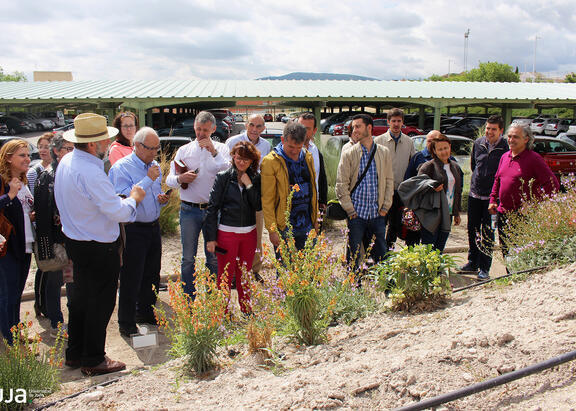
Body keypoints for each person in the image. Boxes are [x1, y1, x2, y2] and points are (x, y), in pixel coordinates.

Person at [55, 113, 145, 375]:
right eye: (105, 139)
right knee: (100, 302)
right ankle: (93, 359)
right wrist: (134, 199)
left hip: (77, 240)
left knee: (81, 300)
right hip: (97, 246)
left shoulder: (68, 161)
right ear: (94, 144)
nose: (109, 142)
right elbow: (117, 212)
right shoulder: (90, 171)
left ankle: (75, 352)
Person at [109, 127, 169, 337]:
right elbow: (125, 199)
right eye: (150, 148)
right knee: (131, 276)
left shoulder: (153, 167)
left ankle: (145, 312)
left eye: (156, 148)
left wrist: (161, 200)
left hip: (152, 226)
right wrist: (147, 180)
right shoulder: (121, 168)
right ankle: (126, 321)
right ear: (137, 145)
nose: (154, 153)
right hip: (132, 229)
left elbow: (153, 195)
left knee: (151, 273)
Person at [166, 111, 230, 297]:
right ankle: (188, 297)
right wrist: (180, 178)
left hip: (213, 211)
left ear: (213, 129)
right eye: (198, 129)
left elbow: (228, 169)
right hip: (189, 210)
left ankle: (212, 297)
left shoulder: (221, 148)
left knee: (213, 257)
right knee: (188, 258)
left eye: (205, 130)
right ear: (194, 127)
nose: (201, 134)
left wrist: (213, 151)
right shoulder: (184, 150)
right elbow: (170, 180)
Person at [206, 141, 261, 313]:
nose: (242, 162)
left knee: (244, 273)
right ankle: (222, 313)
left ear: (252, 160)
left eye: (246, 159)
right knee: (225, 275)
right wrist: (210, 238)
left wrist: (249, 185)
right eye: (238, 158)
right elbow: (212, 208)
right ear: (233, 157)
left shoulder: (256, 178)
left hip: (249, 233)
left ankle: (246, 310)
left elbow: (258, 205)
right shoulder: (223, 177)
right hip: (227, 233)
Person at [489, 125, 559, 260]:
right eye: (509, 136)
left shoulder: (534, 159)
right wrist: (493, 200)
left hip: (523, 217)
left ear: (526, 139)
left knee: (520, 254)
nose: (511, 140)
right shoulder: (505, 156)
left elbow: (553, 185)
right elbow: (498, 180)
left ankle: (518, 277)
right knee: (506, 251)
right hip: (503, 213)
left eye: (516, 137)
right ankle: (510, 278)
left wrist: (536, 204)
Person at [336, 114, 394, 269]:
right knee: (353, 255)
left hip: (377, 214)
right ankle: (354, 287)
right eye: (353, 127)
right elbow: (341, 183)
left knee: (382, 254)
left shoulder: (383, 152)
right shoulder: (349, 153)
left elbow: (389, 181)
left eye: (358, 126)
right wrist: (350, 210)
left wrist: (385, 207)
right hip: (357, 215)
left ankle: (388, 288)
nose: (354, 130)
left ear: (369, 128)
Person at [33, 133, 74, 337]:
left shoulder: (72, 172)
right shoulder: (46, 177)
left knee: (73, 282)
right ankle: (56, 322)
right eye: (68, 149)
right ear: (57, 151)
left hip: (74, 238)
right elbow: (42, 216)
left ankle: (74, 320)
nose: (71, 153)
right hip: (56, 240)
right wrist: (47, 246)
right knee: (54, 281)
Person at [461, 115, 509, 280]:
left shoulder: (506, 147)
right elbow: (474, 166)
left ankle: (484, 267)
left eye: (493, 129)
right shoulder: (478, 143)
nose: (489, 132)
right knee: (473, 229)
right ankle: (472, 262)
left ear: (501, 131)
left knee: (488, 232)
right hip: (475, 195)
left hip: (492, 200)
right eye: (488, 128)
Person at [261, 121, 318, 254]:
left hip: (307, 223)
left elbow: (313, 190)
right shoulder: (270, 162)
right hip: (284, 226)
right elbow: (267, 199)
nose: (295, 152)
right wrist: (272, 230)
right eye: (291, 147)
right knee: (285, 270)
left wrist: (315, 220)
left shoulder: (307, 157)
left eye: (299, 147)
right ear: (282, 139)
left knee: (309, 269)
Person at [226, 114, 271, 276]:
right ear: (246, 125)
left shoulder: (266, 146)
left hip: (255, 197)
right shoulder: (232, 142)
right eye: (252, 125)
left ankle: (255, 270)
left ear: (263, 129)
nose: (254, 129)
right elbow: (225, 169)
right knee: (234, 236)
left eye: (259, 126)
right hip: (234, 198)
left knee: (256, 235)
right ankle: (233, 273)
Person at [0, 139, 32, 345]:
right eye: (22, 155)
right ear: (8, 158)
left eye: (28, 155)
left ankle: (15, 332)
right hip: (8, 248)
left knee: (17, 293)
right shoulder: (3, 182)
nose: (28, 159)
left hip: (25, 245)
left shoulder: (24, 181)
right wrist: (10, 195)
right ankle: (9, 342)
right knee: (7, 295)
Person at [374, 108, 415, 251]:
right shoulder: (379, 141)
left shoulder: (409, 142)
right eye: (393, 121)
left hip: (401, 191)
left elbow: (412, 165)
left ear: (403, 122)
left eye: (399, 121)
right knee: (380, 222)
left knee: (395, 223)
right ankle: (378, 253)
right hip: (383, 190)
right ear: (388, 122)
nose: (396, 124)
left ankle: (388, 252)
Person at [417, 134, 463, 251]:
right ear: (434, 151)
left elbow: (458, 191)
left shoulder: (455, 167)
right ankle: (429, 270)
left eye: (446, 148)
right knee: (429, 248)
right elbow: (417, 187)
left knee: (440, 247)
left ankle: (437, 269)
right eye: (440, 149)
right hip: (432, 214)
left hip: (448, 213)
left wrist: (457, 213)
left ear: (450, 147)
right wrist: (431, 187)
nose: (444, 152)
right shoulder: (428, 166)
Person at [298, 112, 328, 213]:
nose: (302, 131)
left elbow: (321, 177)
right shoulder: (286, 151)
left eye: (307, 128)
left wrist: (323, 201)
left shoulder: (315, 150)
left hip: (314, 204)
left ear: (314, 130)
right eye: (300, 127)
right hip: (294, 205)